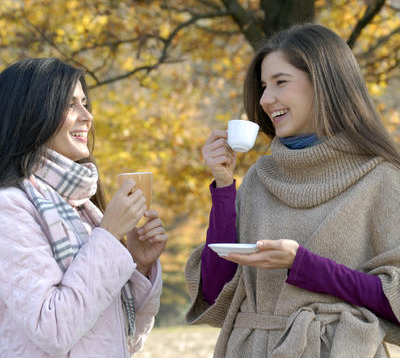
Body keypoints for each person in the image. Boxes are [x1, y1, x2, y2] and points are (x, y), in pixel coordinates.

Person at [185, 23, 400, 357]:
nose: (266, 99)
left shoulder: (382, 179)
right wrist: (224, 187)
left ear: (324, 84)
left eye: (280, 83)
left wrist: (303, 265)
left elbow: (395, 298)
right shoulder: (259, 177)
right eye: (263, 87)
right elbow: (215, 293)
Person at [0, 58, 167, 357]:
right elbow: (52, 328)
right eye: (70, 104)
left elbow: (124, 338)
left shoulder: (82, 208)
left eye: (85, 103)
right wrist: (109, 233)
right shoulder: (10, 207)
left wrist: (138, 264)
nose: (87, 116)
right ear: (31, 114)